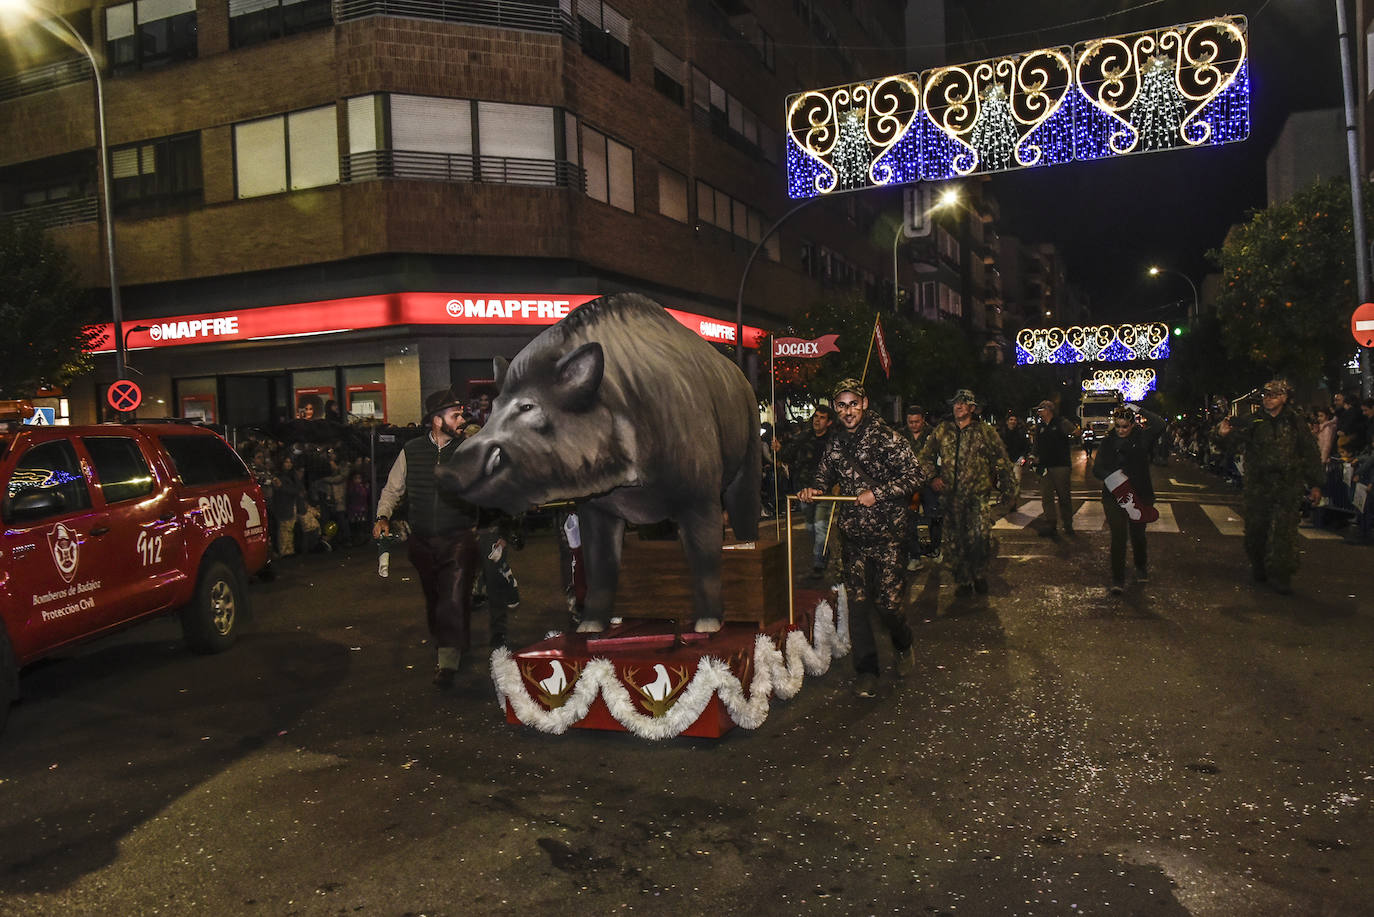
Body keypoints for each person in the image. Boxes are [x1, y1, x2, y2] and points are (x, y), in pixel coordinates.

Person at [799, 379, 923, 698]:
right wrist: (815, 488)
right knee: (856, 606)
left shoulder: (887, 437)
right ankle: (866, 670)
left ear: (864, 403)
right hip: (853, 537)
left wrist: (877, 494)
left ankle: (903, 642)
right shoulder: (837, 442)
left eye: (853, 403)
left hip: (888, 536)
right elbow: (824, 473)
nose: (847, 410)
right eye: (841, 405)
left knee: (889, 606)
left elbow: (916, 474)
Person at [373, 388, 482, 687]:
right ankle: (452, 642)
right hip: (421, 541)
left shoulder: (469, 448)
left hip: (458, 537)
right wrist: (382, 516)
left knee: (453, 595)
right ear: (436, 420)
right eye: (455, 415)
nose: (461, 420)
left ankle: (447, 662)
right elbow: (393, 489)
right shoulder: (411, 450)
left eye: (461, 415)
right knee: (436, 599)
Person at [1216, 379, 1323, 595]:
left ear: (1283, 397)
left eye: (1273, 395)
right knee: (1256, 528)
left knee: (1284, 530)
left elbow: (1310, 451)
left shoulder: (1295, 422)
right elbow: (1231, 443)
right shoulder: (1254, 421)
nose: (1268, 398)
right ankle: (1259, 565)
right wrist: (1222, 434)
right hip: (1258, 484)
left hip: (1287, 484)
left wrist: (1315, 484)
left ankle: (1282, 574)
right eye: (1265, 395)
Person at [916, 389, 1016, 598]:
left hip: (977, 497)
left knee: (979, 538)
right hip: (950, 498)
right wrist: (933, 477)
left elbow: (1001, 459)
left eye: (962, 403)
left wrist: (1008, 487)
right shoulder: (943, 431)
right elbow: (924, 457)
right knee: (955, 542)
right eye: (955, 403)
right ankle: (963, 580)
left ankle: (978, 574)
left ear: (972, 408)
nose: (958, 407)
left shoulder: (985, 432)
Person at [1091, 404, 1166, 594]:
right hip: (1114, 494)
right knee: (1118, 536)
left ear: (1132, 425)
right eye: (1118, 426)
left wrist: (1139, 409)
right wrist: (1113, 476)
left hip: (1140, 493)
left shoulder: (1143, 437)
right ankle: (1118, 578)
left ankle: (1141, 565)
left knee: (1138, 535)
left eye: (1125, 426)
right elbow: (1097, 468)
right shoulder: (1108, 442)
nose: (1121, 430)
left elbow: (1160, 424)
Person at [779, 405, 835, 581]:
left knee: (820, 526)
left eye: (822, 417)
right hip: (804, 490)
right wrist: (779, 448)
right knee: (810, 527)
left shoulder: (833, 441)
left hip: (825, 491)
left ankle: (818, 564)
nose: (817, 420)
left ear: (829, 422)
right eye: (816, 416)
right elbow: (788, 455)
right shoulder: (805, 437)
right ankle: (823, 551)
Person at [899, 403, 940, 570]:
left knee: (934, 517)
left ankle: (933, 548)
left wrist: (939, 477)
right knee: (910, 520)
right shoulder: (901, 436)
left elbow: (942, 457)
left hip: (930, 484)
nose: (913, 425)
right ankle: (915, 555)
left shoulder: (934, 435)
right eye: (910, 422)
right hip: (909, 486)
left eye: (917, 421)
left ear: (923, 420)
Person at [1032, 399, 1077, 537]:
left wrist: (1075, 432)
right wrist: (1034, 457)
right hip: (1045, 466)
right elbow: (1036, 445)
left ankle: (1067, 524)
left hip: (1060, 465)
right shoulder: (1039, 427)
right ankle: (1051, 524)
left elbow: (1076, 432)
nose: (1039, 412)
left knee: (1063, 496)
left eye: (1041, 409)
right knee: (1047, 497)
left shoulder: (1061, 423)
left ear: (1048, 410)